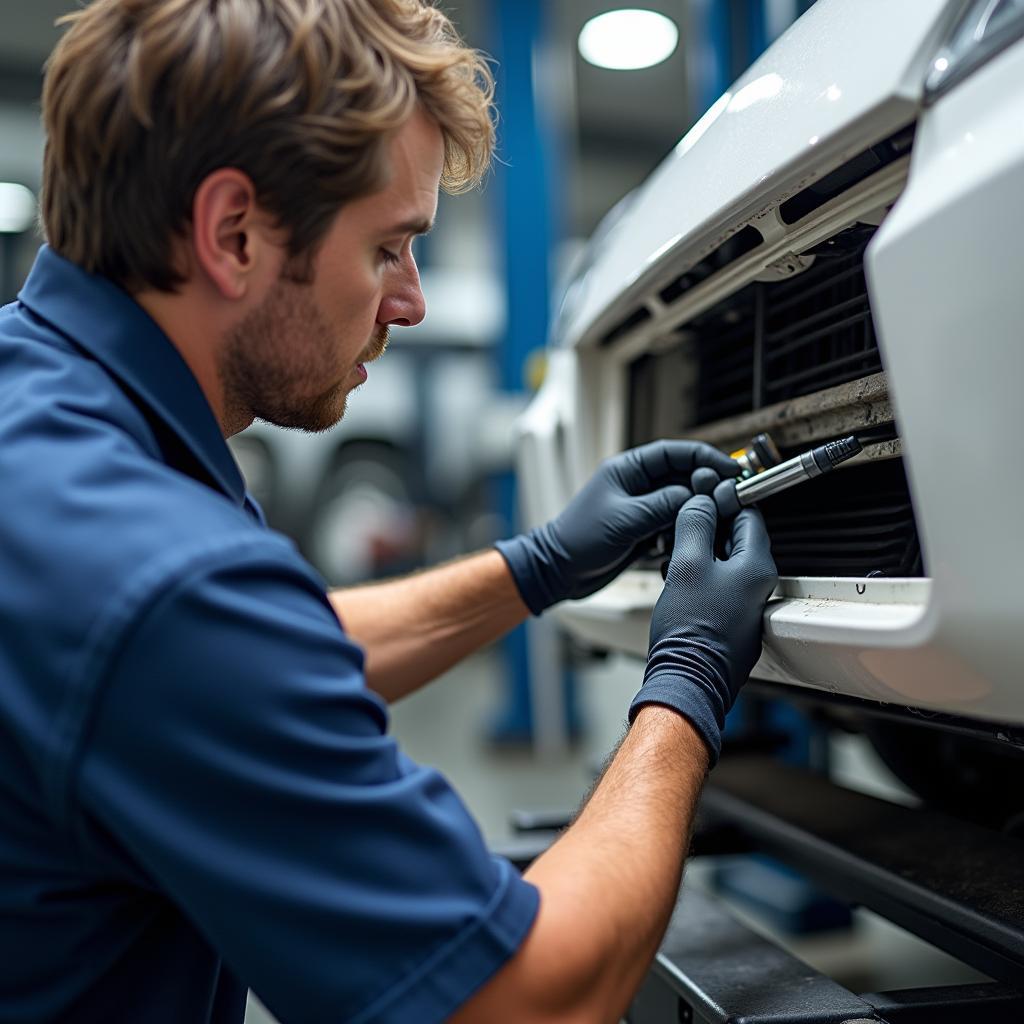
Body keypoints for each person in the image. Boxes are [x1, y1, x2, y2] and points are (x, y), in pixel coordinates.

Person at [0, 1, 777, 1021]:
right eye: (388, 247)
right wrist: (687, 684)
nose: (409, 302)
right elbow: (530, 1000)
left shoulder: (44, 415)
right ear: (233, 232)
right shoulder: (152, 573)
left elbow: (241, 659)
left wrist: (534, 565)